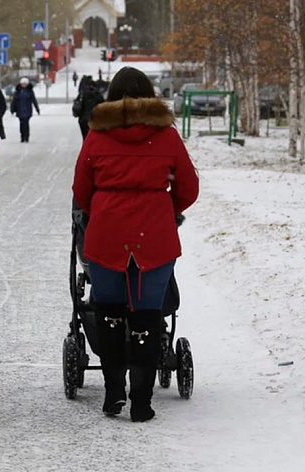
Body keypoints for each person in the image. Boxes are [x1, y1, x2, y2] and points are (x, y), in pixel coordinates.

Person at [72, 66, 199, 423]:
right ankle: (141, 401)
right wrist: (164, 208)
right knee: (147, 315)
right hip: (154, 236)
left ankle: (114, 393)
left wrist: (100, 208)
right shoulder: (167, 137)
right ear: (150, 96)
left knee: (110, 313)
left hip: (107, 233)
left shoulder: (96, 137)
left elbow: (81, 190)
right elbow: (188, 188)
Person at [10, 77, 40, 143]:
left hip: (27, 110)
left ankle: (26, 136)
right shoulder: (17, 91)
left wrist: (37, 109)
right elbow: (14, 101)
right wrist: (12, 109)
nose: (23, 85)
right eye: (22, 84)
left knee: (26, 123)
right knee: (21, 124)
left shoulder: (30, 91)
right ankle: (22, 136)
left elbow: (34, 100)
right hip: (19, 110)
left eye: (25, 84)